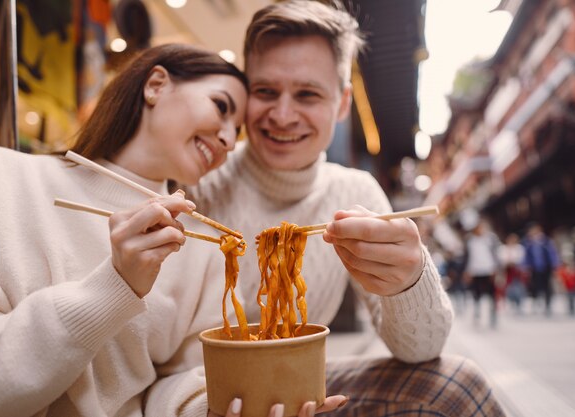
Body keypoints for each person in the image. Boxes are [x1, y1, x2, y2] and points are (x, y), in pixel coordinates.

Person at [146, 1, 507, 416]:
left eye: (307, 94)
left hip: (300, 386)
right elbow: (156, 353)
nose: (283, 115)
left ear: (341, 103)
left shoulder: (355, 193)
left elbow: (421, 351)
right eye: (265, 91)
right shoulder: (197, 185)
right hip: (200, 393)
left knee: (455, 386)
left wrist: (408, 281)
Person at [0, 43, 248, 417]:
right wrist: (115, 284)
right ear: (156, 85)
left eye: (236, 132)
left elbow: (179, 385)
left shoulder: (204, 247)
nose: (227, 139)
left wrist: (220, 407)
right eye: (221, 107)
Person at [464, 219, 502, 327]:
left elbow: (496, 255)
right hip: (475, 271)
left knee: (492, 295)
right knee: (476, 295)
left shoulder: (490, 239)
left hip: (489, 270)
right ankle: (477, 315)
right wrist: (467, 271)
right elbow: (467, 258)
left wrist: (497, 269)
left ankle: (493, 316)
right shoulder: (470, 241)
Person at [522, 223, 560, 316]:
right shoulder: (529, 243)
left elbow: (552, 254)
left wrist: (555, 264)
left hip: (546, 267)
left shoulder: (546, 241)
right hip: (534, 268)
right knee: (535, 286)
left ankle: (547, 305)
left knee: (547, 286)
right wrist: (525, 266)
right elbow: (526, 256)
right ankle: (536, 303)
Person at [498, 233, 527, 313]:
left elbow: (521, 258)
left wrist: (514, 262)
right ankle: (509, 301)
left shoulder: (519, 248)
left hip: (517, 270)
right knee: (507, 286)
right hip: (506, 270)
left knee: (519, 286)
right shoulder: (503, 248)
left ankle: (519, 302)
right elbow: (501, 258)